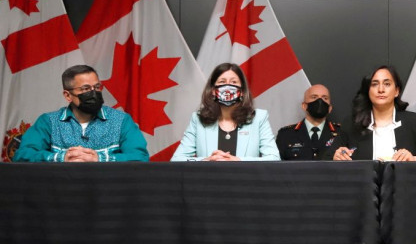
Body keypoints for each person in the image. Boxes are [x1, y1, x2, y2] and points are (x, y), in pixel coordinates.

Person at [13, 64, 148, 162]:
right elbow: (22, 155)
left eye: (96, 87)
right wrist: (62, 157)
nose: (93, 93)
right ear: (67, 95)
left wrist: (99, 158)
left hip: (107, 193)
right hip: (61, 194)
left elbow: (140, 157)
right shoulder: (48, 122)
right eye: (85, 89)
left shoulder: (121, 120)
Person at [171, 62, 279, 161]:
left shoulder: (258, 118)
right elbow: (176, 159)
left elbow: (273, 158)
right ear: (213, 91)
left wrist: (239, 160)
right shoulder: (198, 119)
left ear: (242, 91)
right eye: (222, 82)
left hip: (245, 181)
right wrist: (206, 160)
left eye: (233, 82)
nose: (228, 86)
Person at [327, 65, 416, 161]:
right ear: (368, 91)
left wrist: (415, 159)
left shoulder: (415, 122)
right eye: (374, 84)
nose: (381, 90)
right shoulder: (351, 124)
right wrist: (336, 156)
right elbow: (326, 159)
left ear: (396, 91)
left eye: (387, 84)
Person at [276, 84, 344, 160]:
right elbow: (276, 168)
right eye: (314, 97)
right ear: (304, 106)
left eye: (325, 98)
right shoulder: (285, 135)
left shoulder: (342, 133)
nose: (320, 101)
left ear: (330, 108)